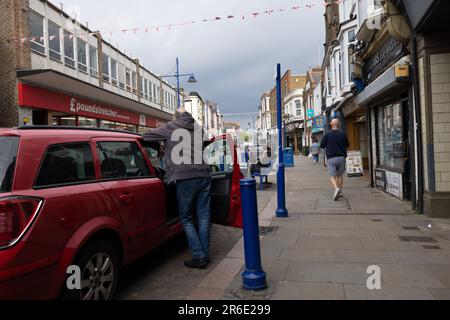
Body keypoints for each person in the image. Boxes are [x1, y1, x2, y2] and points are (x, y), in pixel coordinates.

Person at [143, 108, 212, 269]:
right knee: (203, 218)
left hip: (185, 177)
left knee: (186, 218)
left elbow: (145, 136)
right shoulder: (198, 128)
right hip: (204, 175)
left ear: (175, 117)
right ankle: (205, 254)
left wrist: (162, 144)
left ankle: (198, 256)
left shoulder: (171, 127)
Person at [320, 118, 350, 201]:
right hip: (341, 157)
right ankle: (339, 191)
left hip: (331, 158)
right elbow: (347, 145)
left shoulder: (327, 135)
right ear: (338, 125)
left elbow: (322, 145)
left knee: (332, 176)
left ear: (331, 125)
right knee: (339, 175)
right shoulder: (343, 134)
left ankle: (336, 188)